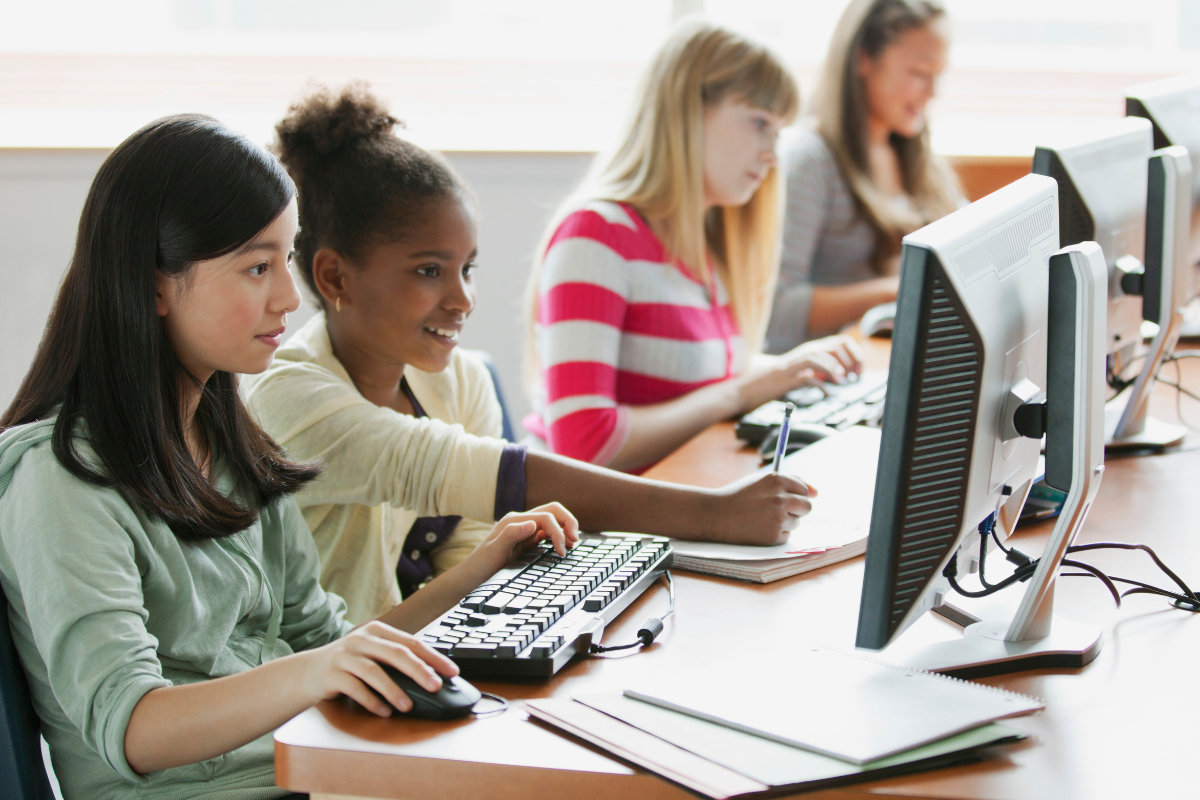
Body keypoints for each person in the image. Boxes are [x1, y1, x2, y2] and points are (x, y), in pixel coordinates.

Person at [0, 114, 578, 800]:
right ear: (155, 284)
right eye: (255, 267)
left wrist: (479, 574)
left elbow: (330, 642)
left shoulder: (235, 448)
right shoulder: (60, 479)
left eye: (284, 259)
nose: (288, 296)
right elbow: (132, 727)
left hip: (315, 773)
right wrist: (316, 671)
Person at [247, 84, 818, 624]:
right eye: (429, 271)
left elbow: (467, 567)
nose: (462, 298)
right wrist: (712, 514)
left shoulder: (460, 382)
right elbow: (489, 476)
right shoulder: (292, 399)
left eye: (466, 269)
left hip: (391, 657)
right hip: (311, 688)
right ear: (334, 277)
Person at [524, 21, 863, 473]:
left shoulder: (705, 247)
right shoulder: (596, 235)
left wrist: (792, 368)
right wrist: (741, 392)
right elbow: (584, 446)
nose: (771, 154)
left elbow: (694, 376)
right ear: (687, 111)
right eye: (760, 123)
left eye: (778, 133)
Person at [765, 0, 961, 352]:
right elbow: (777, 310)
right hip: (833, 375)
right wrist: (898, 289)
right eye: (919, 72)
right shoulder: (810, 161)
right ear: (863, 59)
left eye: (939, 74)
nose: (933, 92)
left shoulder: (920, 159)